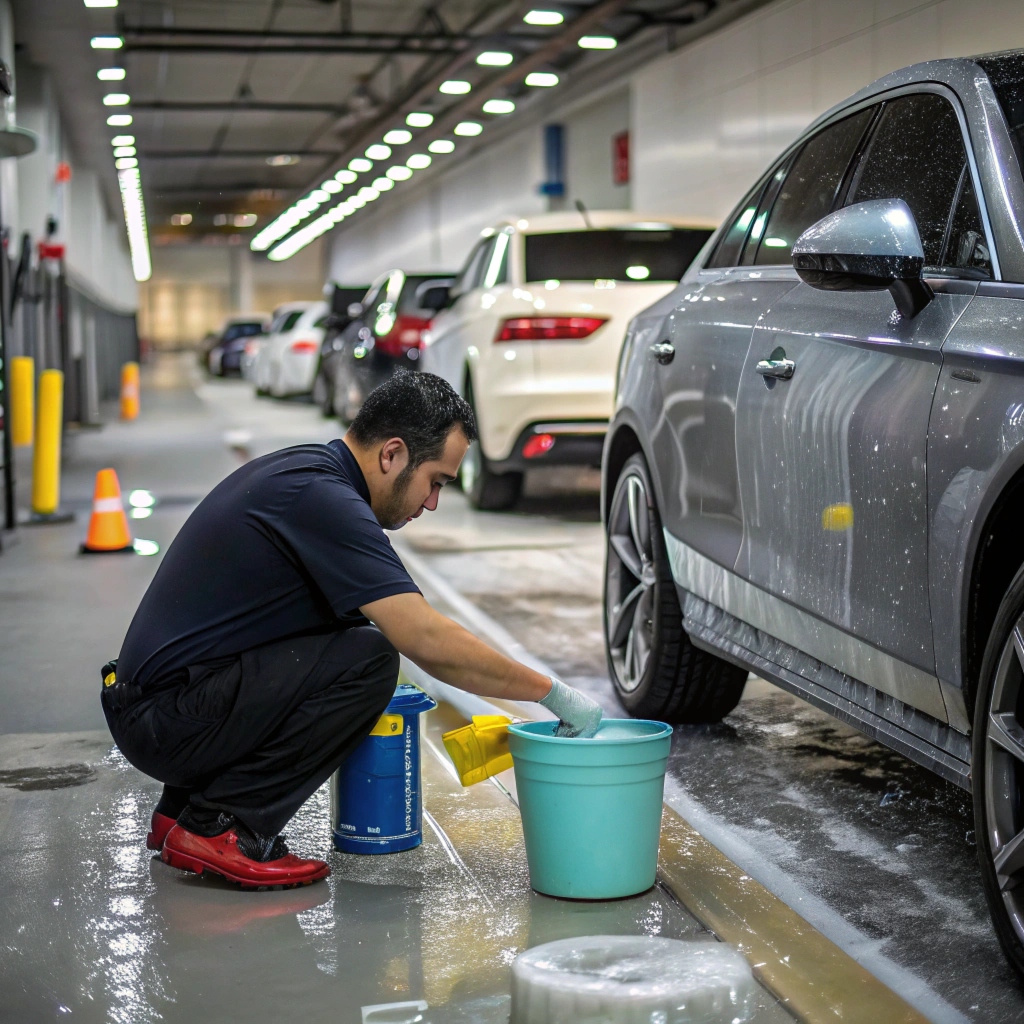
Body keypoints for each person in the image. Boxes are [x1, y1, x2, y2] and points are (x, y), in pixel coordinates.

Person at [102, 371, 602, 890]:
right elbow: (425, 638)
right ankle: (222, 825)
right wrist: (551, 693)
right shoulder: (323, 498)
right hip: (164, 723)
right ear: (392, 454)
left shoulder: (310, 475)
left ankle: (180, 812)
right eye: (436, 481)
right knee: (371, 659)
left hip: (158, 710)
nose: (431, 503)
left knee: (349, 635)